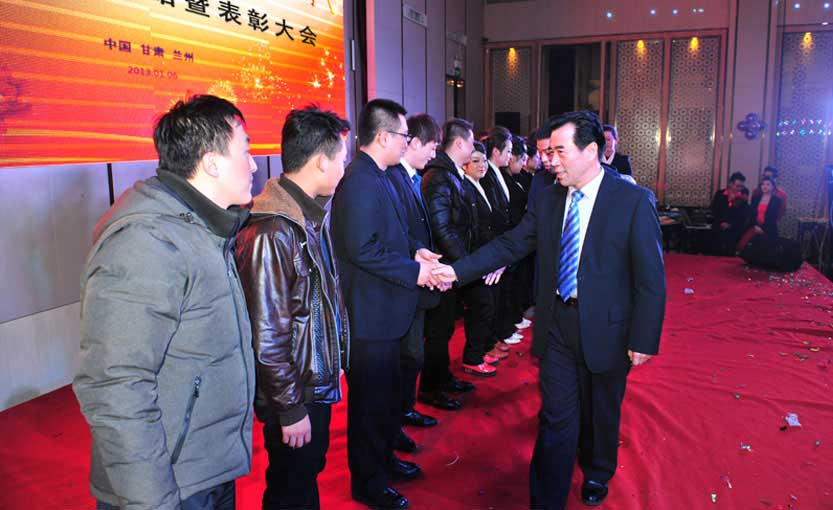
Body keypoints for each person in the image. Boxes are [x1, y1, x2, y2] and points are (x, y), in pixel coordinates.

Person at [434, 111, 666, 510]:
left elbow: (651, 278)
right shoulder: (548, 197)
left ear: (590, 152)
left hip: (608, 329)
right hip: (557, 322)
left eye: (560, 151)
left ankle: (596, 471)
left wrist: (643, 338)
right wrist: (456, 271)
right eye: (549, 152)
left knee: (600, 412)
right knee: (556, 418)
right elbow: (510, 244)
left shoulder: (632, 200)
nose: (550, 160)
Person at [73, 95, 258, 510]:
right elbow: (115, 385)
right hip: (169, 481)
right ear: (211, 163)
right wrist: (152, 501)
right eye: (245, 151)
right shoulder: (148, 241)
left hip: (205, 468)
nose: (253, 165)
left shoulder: (203, 228)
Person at [235, 106, 351, 510]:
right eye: (342, 157)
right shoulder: (273, 230)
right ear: (321, 161)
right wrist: (289, 408)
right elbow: (266, 335)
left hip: (307, 382)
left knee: (304, 476)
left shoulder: (306, 215)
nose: (344, 167)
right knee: (290, 488)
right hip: (294, 392)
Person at [331, 98, 443, 510]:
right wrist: (415, 271)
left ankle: (382, 462)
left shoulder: (383, 175)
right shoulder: (360, 181)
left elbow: (393, 232)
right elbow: (363, 249)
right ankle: (368, 482)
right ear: (382, 137)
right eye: (402, 136)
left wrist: (416, 251)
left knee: (383, 401)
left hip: (387, 313)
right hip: (371, 317)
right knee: (369, 406)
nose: (406, 142)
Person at [385, 113, 443, 454]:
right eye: (431, 147)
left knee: (412, 357)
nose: (433, 155)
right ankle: (395, 422)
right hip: (403, 283)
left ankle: (404, 411)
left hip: (415, 277)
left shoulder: (410, 177)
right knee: (406, 359)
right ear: (414, 143)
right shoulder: (392, 178)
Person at [418, 118, 480, 410]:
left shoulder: (450, 173)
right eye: (471, 143)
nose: (473, 148)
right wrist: (463, 265)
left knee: (445, 329)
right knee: (437, 331)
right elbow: (442, 228)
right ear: (459, 143)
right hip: (443, 267)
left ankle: (442, 378)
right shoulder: (438, 177)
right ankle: (430, 387)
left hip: (451, 266)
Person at [459, 141, 508, 376]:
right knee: (481, 307)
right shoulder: (465, 188)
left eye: (484, 160)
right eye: (475, 160)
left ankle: (478, 352)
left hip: (487, 257)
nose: (482, 165)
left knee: (486, 306)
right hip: (475, 258)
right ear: (465, 164)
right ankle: (472, 358)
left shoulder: (480, 185)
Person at [737, 176, 783, 252]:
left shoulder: (777, 200)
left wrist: (762, 229)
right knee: (742, 246)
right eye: (763, 184)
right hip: (754, 226)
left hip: (768, 229)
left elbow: (772, 217)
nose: (765, 186)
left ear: (773, 187)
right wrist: (755, 226)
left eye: (768, 184)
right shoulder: (756, 198)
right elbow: (752, 215)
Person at [711, 171, 750, 255]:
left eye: (742, 186)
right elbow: (714, 210)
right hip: (718, 230)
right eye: (737, 186)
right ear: (731, 184)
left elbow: (743, 217)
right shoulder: (720, 194)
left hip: (733, 233)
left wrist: (730, 224)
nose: (740, 188)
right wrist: (721, 222)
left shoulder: (742, 198)